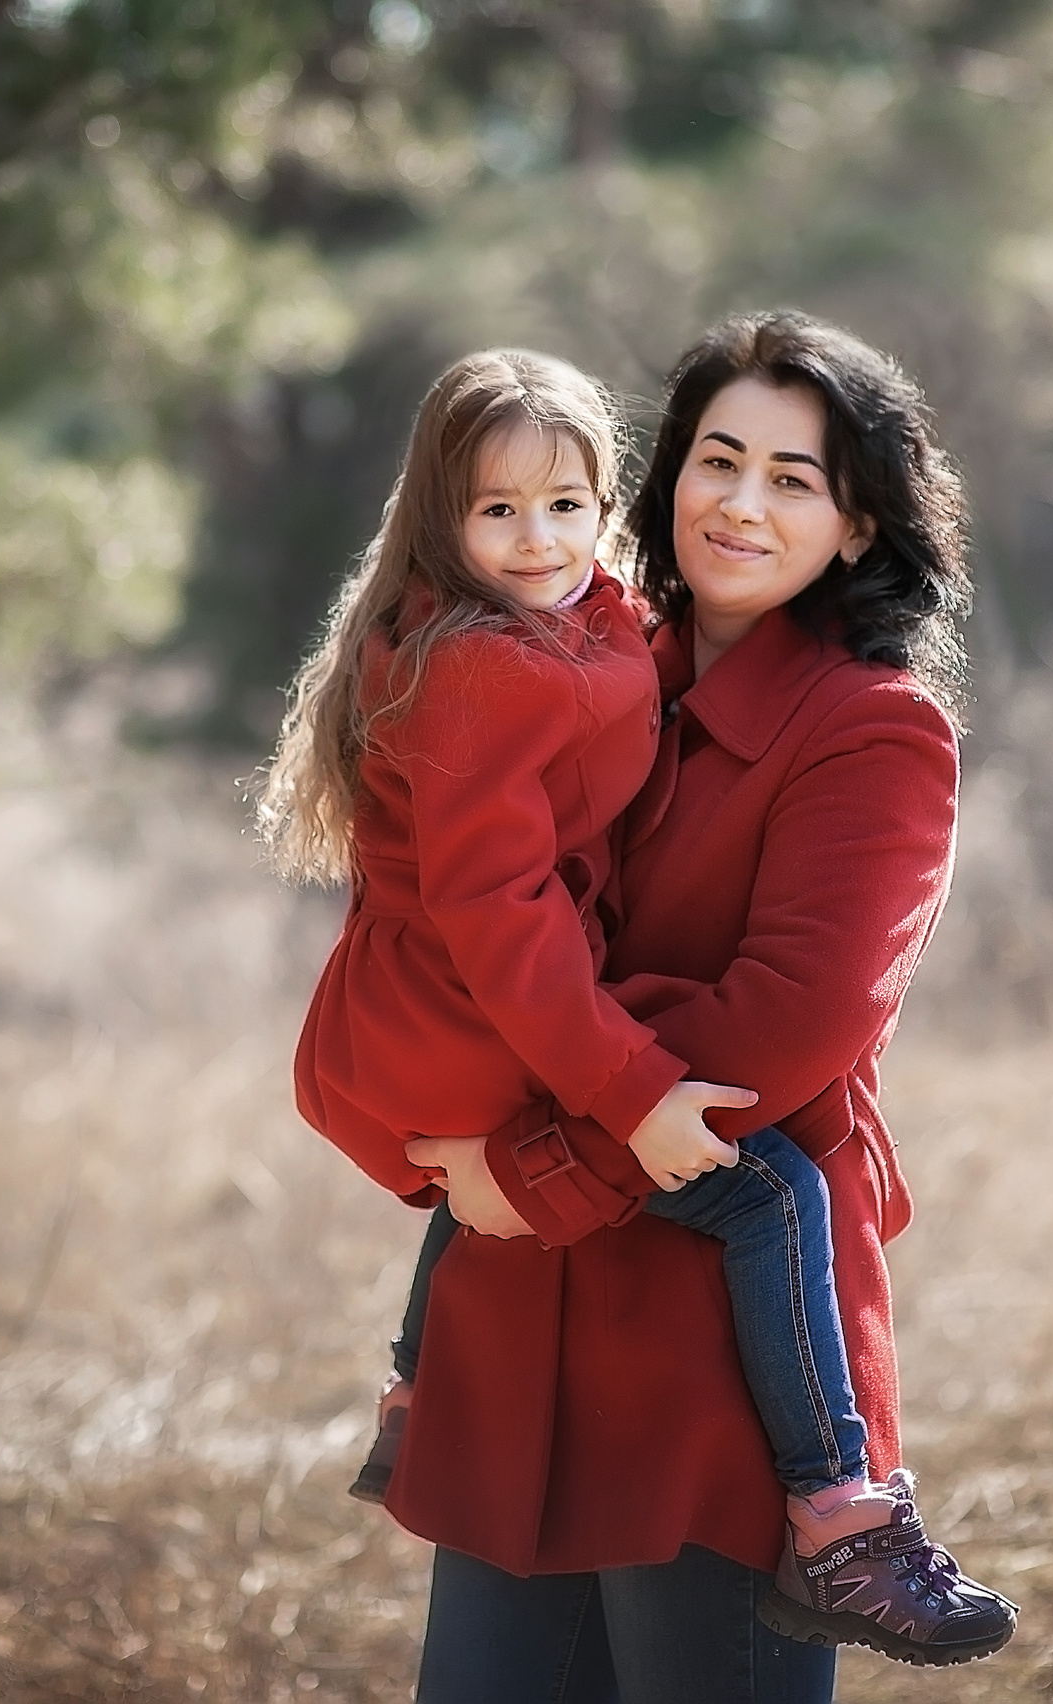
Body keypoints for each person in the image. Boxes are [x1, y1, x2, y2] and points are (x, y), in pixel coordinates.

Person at [262, 345, 1011, 1687]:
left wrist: (521, 1164)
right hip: (519, 1344)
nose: (741, 502)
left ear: (858, 524)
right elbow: (445, 911)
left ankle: (853, 1529)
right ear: (662, 482)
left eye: (793, 479)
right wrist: (444, 1115)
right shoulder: (552, 654)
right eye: (717, 461)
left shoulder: (873, 731)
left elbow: (784, 1031)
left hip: (712, 1368)